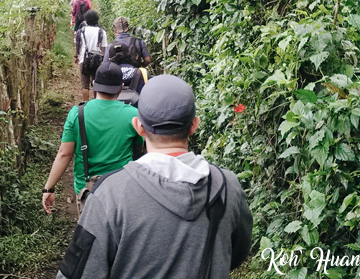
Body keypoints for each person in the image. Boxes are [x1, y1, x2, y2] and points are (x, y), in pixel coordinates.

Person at [55, 75, 253, 279]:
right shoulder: (228, 186)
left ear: (139, 126)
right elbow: (235, 253)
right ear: (194, 125)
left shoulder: (110, 194)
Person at [42, 61, 144, 215]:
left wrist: (49, 188)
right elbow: (139, 151)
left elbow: (64, 153)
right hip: (121, 189)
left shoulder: (77, 113)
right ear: (121, 88)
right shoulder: (133, 115)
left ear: (94, 84)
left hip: (87, 191)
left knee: (90, 235)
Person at [75, 10, 107, 101]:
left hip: (84, 59)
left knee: (85, 84)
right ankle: (96, 102)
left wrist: (76, 56)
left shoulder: (81, 31)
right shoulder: (101, 32)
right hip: (97, 60)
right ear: (97, 20)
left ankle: (85, 103)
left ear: (86, 20)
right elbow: (103, 48)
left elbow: (78, 45)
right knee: (96, 83)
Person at [108, 42, 149, 107]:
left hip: (112, 113)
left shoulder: (106, 74)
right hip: (137, 113)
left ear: (110, 57)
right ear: (129, 55)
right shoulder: (142, 73)